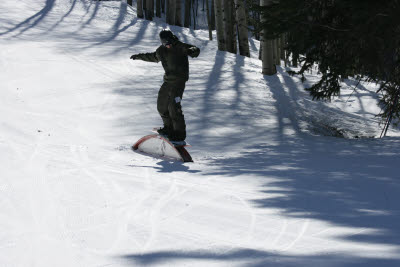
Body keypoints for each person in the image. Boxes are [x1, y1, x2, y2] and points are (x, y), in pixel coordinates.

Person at [130, 30, 200, 142]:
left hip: (179, 81)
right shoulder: (161, 50)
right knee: (161, 106)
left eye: (168, 42)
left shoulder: (180, 46)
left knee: (173, 106)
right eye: (164, 43)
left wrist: (192, 50)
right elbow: (152, 56)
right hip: (168, 81)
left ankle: (179, 134)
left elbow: (195, 50)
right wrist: (138, 56)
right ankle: (168, 128)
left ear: (172, 39)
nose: (167, 45)